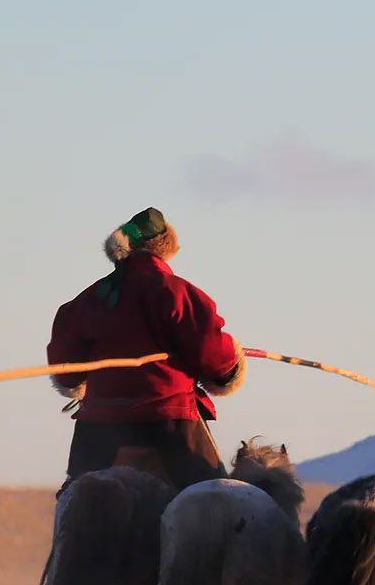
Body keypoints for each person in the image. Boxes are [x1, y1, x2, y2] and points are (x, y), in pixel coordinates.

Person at [45, 207, 247, 490]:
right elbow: (213, 355)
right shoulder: (178, 293)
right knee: (214, 500)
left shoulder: (86, 301)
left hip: (99, 427)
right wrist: (230, 368)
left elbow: (66, 371)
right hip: (169, 420)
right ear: (165, 246)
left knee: (75, 499)